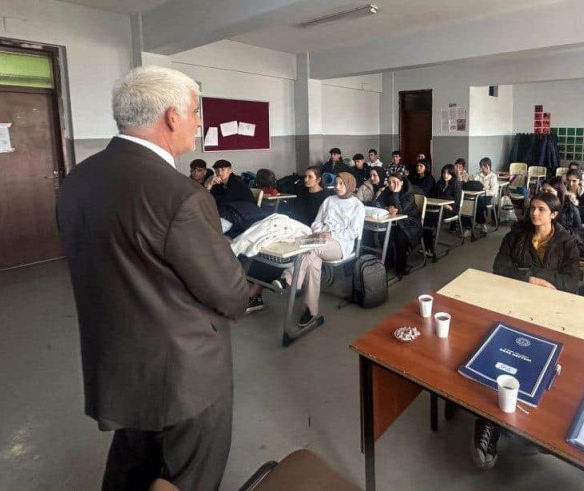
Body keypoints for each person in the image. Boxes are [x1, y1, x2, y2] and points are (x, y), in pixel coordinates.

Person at [56, 66, 250, 490]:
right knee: (188, 477)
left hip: (120, 365)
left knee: (131, 467)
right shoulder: (180, 196)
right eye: (197, 112)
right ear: (172, 116)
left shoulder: (78, 180)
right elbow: (231, 294)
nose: (200, 123)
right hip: (185, 377)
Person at [475, 192, 580, 470]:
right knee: (501, 359)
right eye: (532, 208)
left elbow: (571, 282)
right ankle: (488, 423)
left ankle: (531, 424)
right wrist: (531, 277)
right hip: (513, 305)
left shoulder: (567, 242)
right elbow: (500, 266)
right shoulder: (516, 235)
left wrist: (532, 276)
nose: (535, 214)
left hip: (551, 313)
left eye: (542, 209)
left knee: (540, 368)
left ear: (554, 214)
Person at [271, 173, 364, 329]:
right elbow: (316, 222)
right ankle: (311, 310)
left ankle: (288, 278)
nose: (337, 187)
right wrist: (321, 232)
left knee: (312, 249)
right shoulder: (328, 200)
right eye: (336, 183)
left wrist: (331, 234)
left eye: (342, 184)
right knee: (313, 263)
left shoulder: (357, 206)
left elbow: (353, 233)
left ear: (349, 185)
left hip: (341, 245)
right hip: (321, 240)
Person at [375, 173, 422, 277]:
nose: (392, 185)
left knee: (400, 238)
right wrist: (387, 208)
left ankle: (401, 268)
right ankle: (388, 262)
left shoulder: (409, 194)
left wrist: (395, 193)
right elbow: (377, 203)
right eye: (389, 182)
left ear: (401, 182)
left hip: (410, 223)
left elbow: (400, 210)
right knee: (383, 235)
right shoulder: (387, 190)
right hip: (394, 222)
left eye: (395, 182)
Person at [423, 163, 463, 251]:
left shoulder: (456, 185)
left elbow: (456, 203)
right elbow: (433, 195)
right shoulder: (439, 183)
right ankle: (427, 245)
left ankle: (429, 248)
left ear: (452, 174)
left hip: (450, 211)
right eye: (444, 173)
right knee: (424, 218)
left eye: (448, 173)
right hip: (437, 208)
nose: (445, 175)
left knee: (430, 219)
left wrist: (446, 206)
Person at [475, 157, 499, 232]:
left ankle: (482, 223)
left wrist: (484, 191)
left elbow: (493, 191)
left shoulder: (493, 176)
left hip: (488, 197)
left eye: (482, 167)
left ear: (487, 166)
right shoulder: (479, 174)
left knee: (479, 202)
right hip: (479, 195)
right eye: (481, 167)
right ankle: (479, 222)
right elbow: (475, 183)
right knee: (475, 201)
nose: (481, 169)